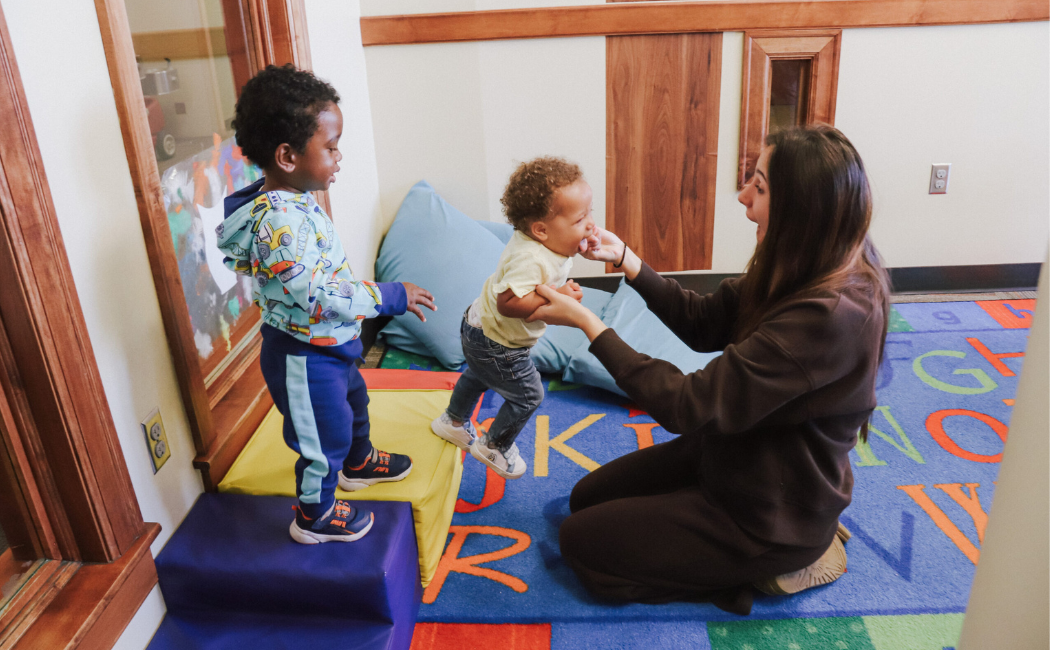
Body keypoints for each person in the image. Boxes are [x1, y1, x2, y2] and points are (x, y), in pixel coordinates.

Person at [527, 125, 890, 615]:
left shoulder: (830, 313)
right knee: (585, 499)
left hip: (769, 513)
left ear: (800, 210)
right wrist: (629, 262)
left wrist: (589, 324)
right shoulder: (798, 260)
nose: (743, 197)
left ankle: (772, 567)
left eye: (759, 188)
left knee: (582, 545)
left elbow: (686, 404)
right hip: (737, 453)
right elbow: (704, 323)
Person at [217, 65, 436, 545]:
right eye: (331, 147)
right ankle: (314, 514)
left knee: (355, 402)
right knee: (321, 440)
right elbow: (314, 293)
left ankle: (358, 464)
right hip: (302, 356)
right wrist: (388, 295)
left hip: (331, 344)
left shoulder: (294, 198)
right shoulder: (279, 222)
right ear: (287, 156)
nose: (339, 157)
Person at [429, 156, 598, 479]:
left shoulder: (546, 243)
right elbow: (508, 302)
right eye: (580, 220)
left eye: (590, 213)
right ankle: (494, 444)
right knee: (529, 395)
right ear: (541, 230)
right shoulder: (530, 257)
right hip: (498, 341)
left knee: (479, 375)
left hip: (479, 327)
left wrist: (581, 241)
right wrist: (560, 297)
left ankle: (451, 422)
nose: (590, 223)